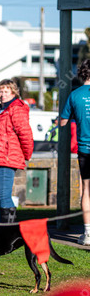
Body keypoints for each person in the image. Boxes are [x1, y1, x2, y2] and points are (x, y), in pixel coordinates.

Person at [0, 79, 33, 223]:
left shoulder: (16, 108)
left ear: (14, 92)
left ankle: (8, 229)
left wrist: (27, 154)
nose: (2, 94)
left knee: (3, 197)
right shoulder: (0, 109)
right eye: (0, 91)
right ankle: (2, 228)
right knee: (0, 197)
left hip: (5, 159)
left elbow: (25, 133)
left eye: (6, 91)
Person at [61, 59, 90, 246]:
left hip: (85, 149)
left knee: (87, 189)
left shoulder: (75, 95)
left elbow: (63, 122)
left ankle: (88, 233)